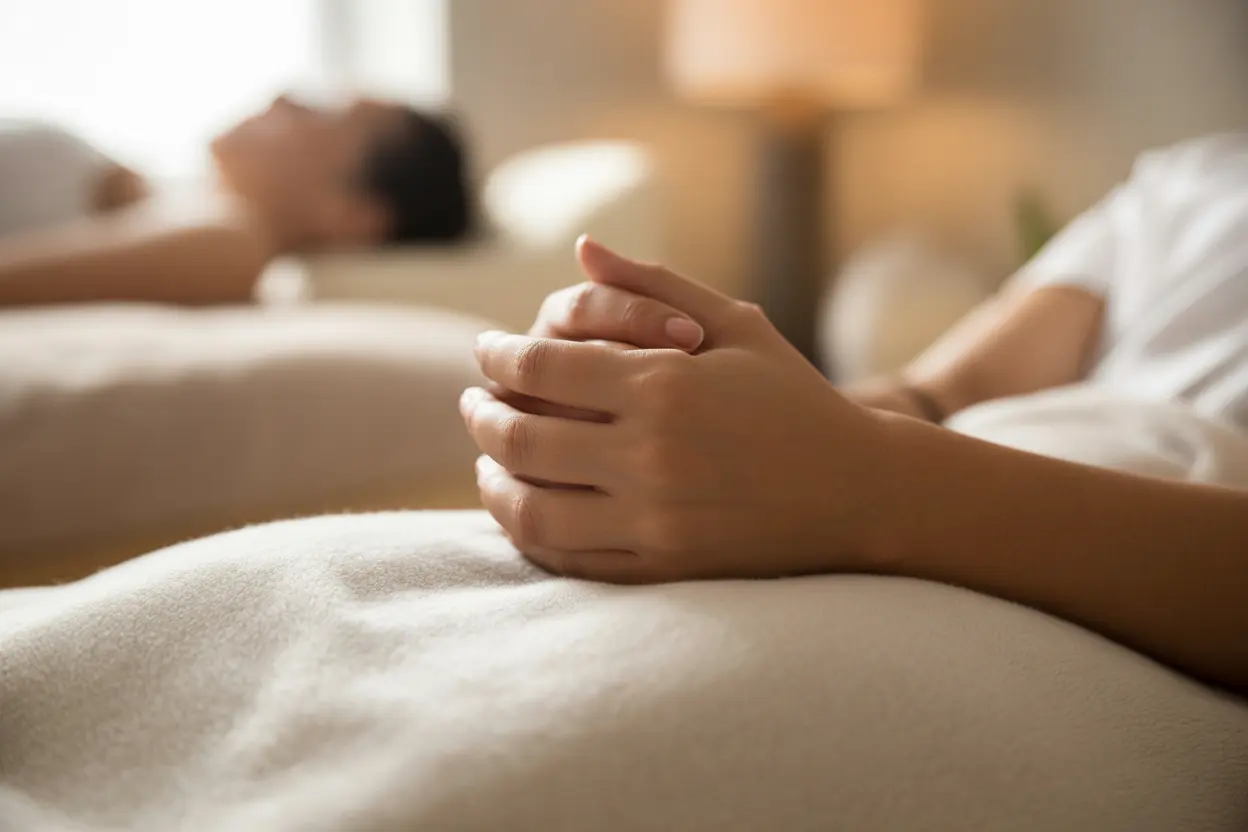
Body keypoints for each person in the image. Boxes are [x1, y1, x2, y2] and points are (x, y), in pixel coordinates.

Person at [459, 134, 1248, 694]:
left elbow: (886, 452)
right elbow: (941, 392)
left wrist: (879, 490)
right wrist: (685, 398)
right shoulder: (1194, 182)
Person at [0, 96, 472, 307]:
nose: (283, 97)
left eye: (318, 110)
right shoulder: (114, 185)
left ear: (352, 214)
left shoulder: (230, 245)